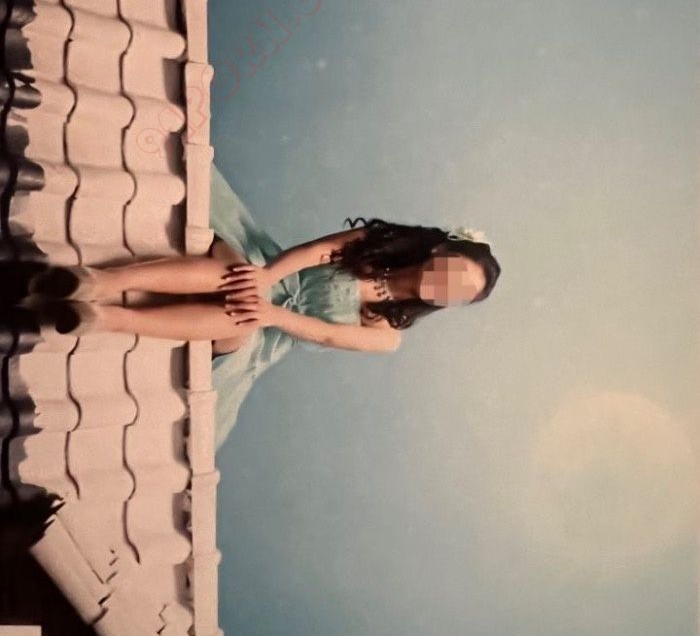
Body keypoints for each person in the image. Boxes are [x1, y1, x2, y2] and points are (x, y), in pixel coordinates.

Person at [17, 165, 501, 449]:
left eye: (459, 293)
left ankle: (107, 318)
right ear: (442, 251)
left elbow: (326, 333)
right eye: (456, 271)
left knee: (242, 318)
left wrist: (273, 314)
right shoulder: (381, 243)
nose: (448, 285)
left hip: (271, 331)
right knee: (238, 278)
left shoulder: (388, 336)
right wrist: (267, 278)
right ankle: (99, 282)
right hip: (268, 263)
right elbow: (317, 252)